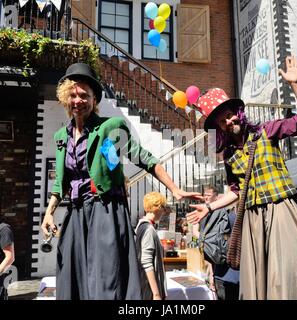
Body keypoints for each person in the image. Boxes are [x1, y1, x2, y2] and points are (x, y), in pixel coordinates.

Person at [41, 62, 200, 300]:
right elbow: (62, 183)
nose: (78, 100)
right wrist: (49, 212)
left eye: (85, 95)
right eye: (73, 95)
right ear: (65, 98)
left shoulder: (110, 128)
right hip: (75, 213)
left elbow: (143, 158)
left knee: (106, 280)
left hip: (105, 210)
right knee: (71, 277)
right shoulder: (62, 136)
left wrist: (175, 190)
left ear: (94, 100)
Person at [187, 55, 297, 299]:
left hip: (281, 208)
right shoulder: (229, 155)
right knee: (262, 280)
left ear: (238, 113)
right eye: (222, 121)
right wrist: (209, 207)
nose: (228, 121)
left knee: (294, 269)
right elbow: (235, 190)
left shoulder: (267, 131)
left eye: (230, 115)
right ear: (219, 127)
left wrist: (295, 84)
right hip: (253, 218)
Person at [199, 185, 239, 300]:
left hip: (221, 275)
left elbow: (212, 247)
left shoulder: (215, 216)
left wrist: (212, 275)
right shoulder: (237, 218)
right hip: (238, 277)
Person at [135, 192, 169, 300]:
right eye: (163, 207)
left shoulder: (141, 226)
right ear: (157, 208)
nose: (164, 211)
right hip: (148, 289)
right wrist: (156, 294)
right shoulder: (148, 229)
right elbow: (146, 261)